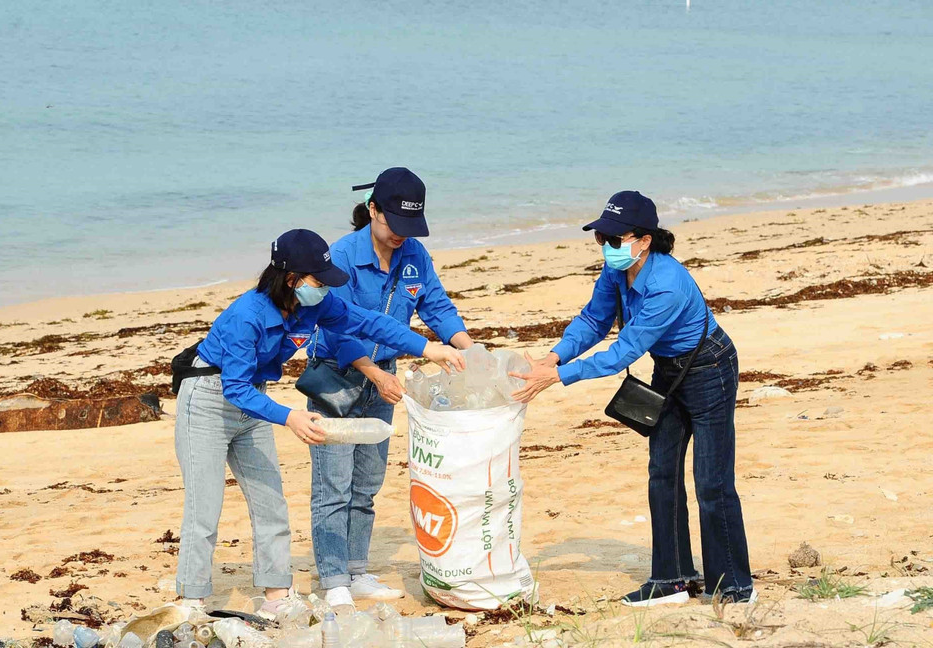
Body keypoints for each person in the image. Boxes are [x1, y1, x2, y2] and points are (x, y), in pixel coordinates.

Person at [173, 228, 464, 619]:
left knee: (271, 504)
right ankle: (193, 598)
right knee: (204, 508)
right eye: (317, 282)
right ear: (291, 279)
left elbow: (371, 324)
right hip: (210, 400)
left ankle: (276, 595)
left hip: (256, 400)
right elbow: (234, 387)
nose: (325, 290)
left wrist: (429, 348)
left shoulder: (314, 306)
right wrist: (290, 416)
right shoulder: (247, 316)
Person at [512, 191, 755, 607]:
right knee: (662, 473)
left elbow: (625, 351)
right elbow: (593, 320)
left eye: (614, 239)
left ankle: (733, 585)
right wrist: (550, 358)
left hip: (709, 369)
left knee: (712, 483)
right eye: (600, 239)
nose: (606, 248)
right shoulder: (614, 272)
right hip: (668, 370)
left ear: (644, 240)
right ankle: (672, 579)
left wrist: (558, 377)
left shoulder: (667, 285)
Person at [307, 168, 474, 611]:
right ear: (372, 210)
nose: (401, 235)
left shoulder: (415, 253)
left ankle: (358, 571)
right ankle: (333, 577)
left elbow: (435, 304)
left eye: (410, 227)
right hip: (337, 377)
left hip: (385, 378)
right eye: (393, 224)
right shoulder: (340, 256)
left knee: (367, 482)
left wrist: (470, 350)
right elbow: (336, 326)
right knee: (333, 483)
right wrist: (374, 373)